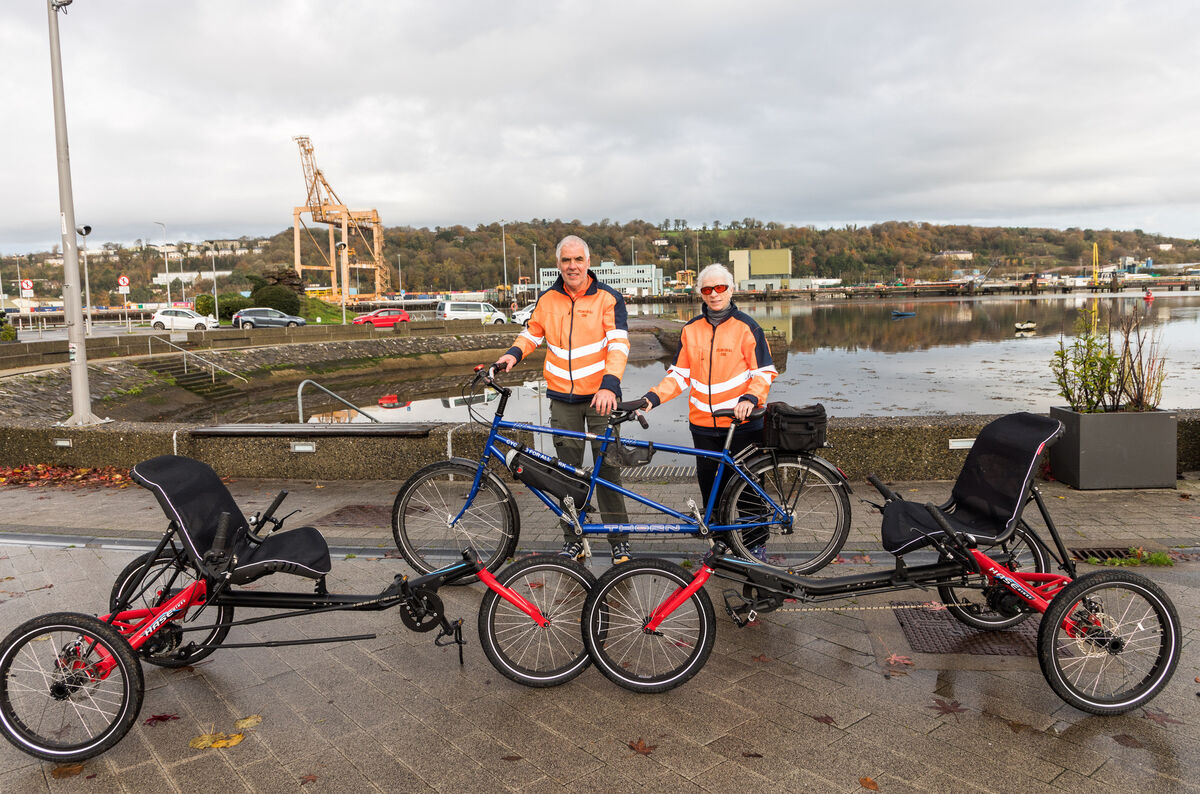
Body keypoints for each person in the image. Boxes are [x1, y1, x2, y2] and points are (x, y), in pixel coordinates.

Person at [494, 235, 632, 563]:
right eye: (566, 260)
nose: (572, 266)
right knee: (566, 475)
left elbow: (619, 345)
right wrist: (512, 355)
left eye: (578, 260)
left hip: (602, 399)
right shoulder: (549, 299)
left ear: (588, 262)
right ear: (558, 264)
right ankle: (574, 538)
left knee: (608, 470)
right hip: (561, 398)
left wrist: (610, 385)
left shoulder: (608, 299)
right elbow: (532, 333)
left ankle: (618, 542)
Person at [640, 263, 777, 558]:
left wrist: (751, 399)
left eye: (720, 288)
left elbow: (764, 372)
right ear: (700, 293)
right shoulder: (691, 330)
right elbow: (679, 375)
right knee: (711, 488)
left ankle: (756, 545)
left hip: (741, 423)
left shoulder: (747, 327)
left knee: (749, 487)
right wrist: (652, 397)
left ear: (731, 290)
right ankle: (721, 544)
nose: (714, 294)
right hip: (702, 424)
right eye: (707, 289)